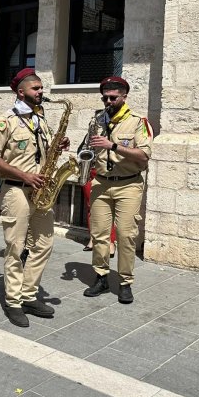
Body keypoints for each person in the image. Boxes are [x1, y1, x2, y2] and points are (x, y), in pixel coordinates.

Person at [0, 68, 68, 328]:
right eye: (36, 88)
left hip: (40, 190)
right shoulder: (5, 121)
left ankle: (29, 295)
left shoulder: (40, 119)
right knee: (16, 247)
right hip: (16, 190)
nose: (41, 92)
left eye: (41, 88)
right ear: (21, 92)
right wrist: (24, 175)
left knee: (44, 244)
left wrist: (57, 146)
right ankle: (13, 301)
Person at [83, 76, 152, 305]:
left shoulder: (138, 121)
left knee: (125, 236)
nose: (108, 102)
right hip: (101, 182)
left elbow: (144, 155)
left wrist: (112, 145)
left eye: (113, 98)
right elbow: (89, 148)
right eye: (105, 98)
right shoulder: (97, 120)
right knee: (99, 234)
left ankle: (125, 282)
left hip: (128, 184)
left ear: (124, 97)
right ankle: (101, 277)